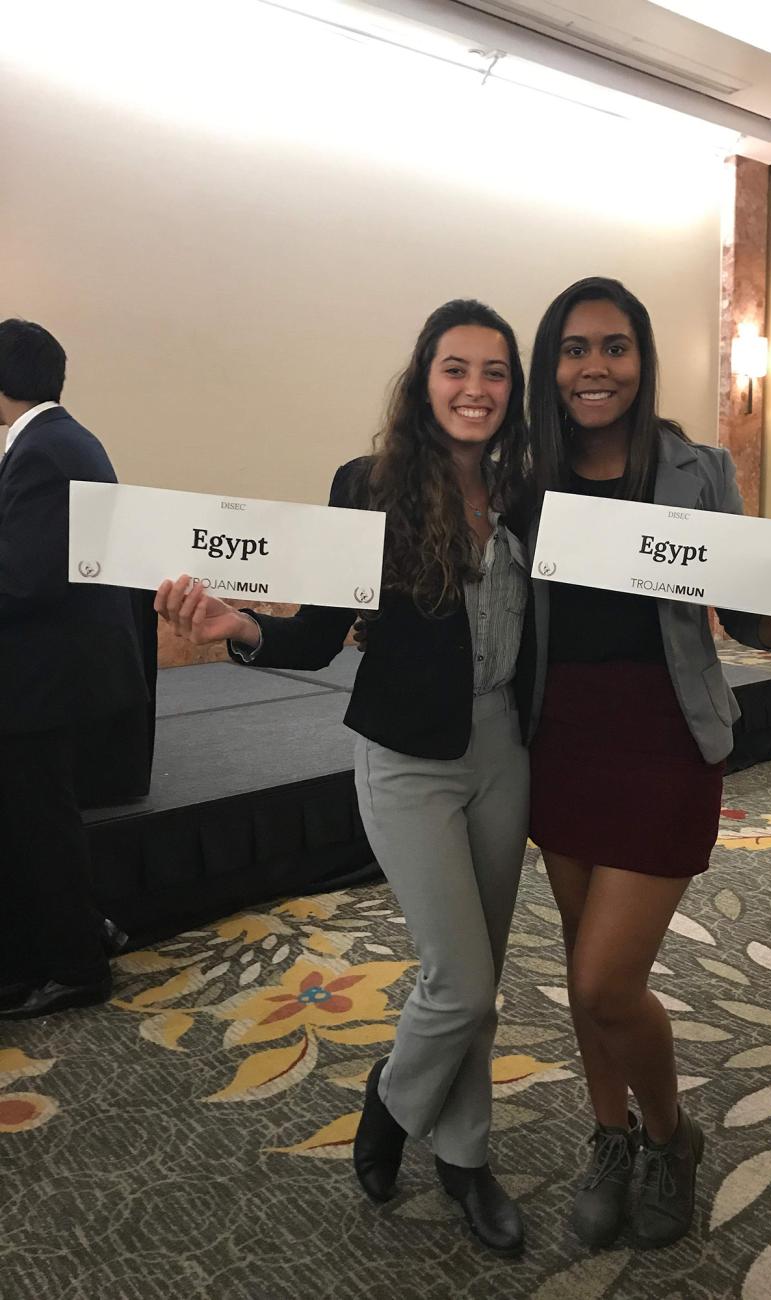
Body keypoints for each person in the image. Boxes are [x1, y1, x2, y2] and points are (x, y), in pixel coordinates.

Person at [156, 300, 532, 1256]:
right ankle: (392, 1105)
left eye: (494, 372)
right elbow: (316, 634)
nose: (475, 389)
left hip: (506, 753)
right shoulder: (367, 489)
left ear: (512, 391)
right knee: (458, 980)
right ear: (424, 378)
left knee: (478, 983)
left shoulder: (530, 491)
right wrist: (237, 629)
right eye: (457, 368)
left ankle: (467, 1155)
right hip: (408, 759)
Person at [522, 277, 771, 1250]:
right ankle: (607, 1137)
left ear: (641, 359)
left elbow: (748, 617)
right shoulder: (522, 473)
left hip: (662, 742)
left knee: (608, 979)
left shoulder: (697, 467)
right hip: (559, 741)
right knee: (582, 970)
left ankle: (670, 1137)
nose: (595, 367)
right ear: (553, 365)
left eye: (615, 347)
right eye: (575, 348)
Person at [0, 319, 146, 1020]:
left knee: (40, 822)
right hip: (60, 669)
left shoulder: (42, 451)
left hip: (45, 676)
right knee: (43, 816)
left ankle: (76, 966)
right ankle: (85, 933)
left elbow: (23, 580)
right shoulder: (64, 439)